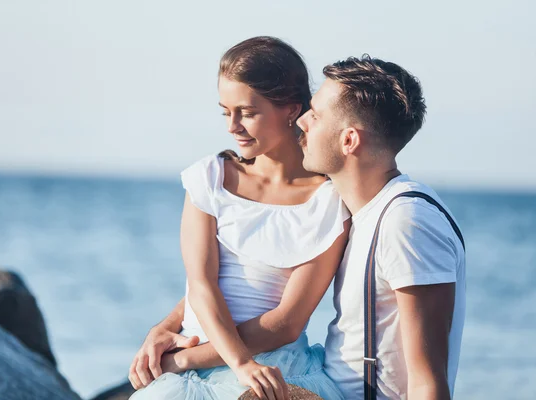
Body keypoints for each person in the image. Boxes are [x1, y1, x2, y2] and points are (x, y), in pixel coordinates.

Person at [128, 36, 350, 400]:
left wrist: (187, 361)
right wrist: (174, 335)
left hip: (272, 366)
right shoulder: (211, 179)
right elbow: (202, 285)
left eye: (247, 112)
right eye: (225, 111)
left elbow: (286, 324)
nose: (233, 126)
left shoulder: (327, 202)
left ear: (291, 109)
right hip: (204, 363)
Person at [296, 55, 466, 399]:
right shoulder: (360, 211)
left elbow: (428, 381)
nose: (302, 122)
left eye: (315, 115)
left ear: (349, 141)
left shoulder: (408, 221)